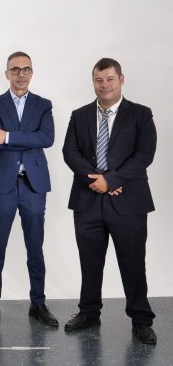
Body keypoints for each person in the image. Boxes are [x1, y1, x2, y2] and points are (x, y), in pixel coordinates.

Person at [62, 57, 157, 345]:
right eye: (99, 80)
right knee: (90, 262)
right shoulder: (79, 115)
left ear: (121, 79)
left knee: (133, 262)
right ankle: (89, 313)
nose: (104, 85)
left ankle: (141, 319)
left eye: (110, 79)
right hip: (87, 201)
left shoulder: (140, 114)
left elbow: (144, 154)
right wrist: (96, 180)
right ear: (93, 82)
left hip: (128, 203)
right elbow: (70, 152)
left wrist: (112, 181)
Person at [0, 51, 58, 327]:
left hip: (33, 184)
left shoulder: (43, 105)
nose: (21, 74)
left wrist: (9, 136)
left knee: (35, 246)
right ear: (7, 74)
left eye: (26, 69)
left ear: (32, 73)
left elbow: (47, 138)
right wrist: (21, 139)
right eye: (15, 69)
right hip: (3, 184)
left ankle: (38, 303)